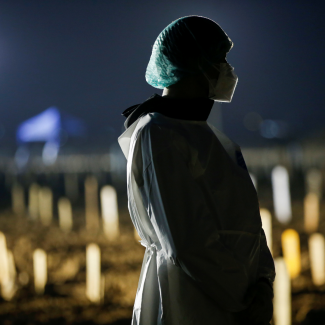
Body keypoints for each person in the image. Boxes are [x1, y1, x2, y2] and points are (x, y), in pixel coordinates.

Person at [118, 15, 275, 325]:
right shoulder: (157, 134)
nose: (228, 70)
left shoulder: (213, 138)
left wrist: (263, 285)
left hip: (239, 301)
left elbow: (247, 222)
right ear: (192, 63)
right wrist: (242, 301)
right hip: (191, 302)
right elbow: (186, 242)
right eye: (220, 59)